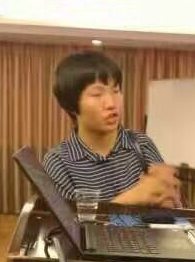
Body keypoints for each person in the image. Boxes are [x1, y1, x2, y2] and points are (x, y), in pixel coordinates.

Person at [44, 51, 181, 207]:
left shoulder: (141, 144)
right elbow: (67, 222)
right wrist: (131, 198)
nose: (111, 103)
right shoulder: (59, 162)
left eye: (116, 91)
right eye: (97, 94)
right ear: (71, 105)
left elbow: (172, 212)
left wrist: (168, 197)